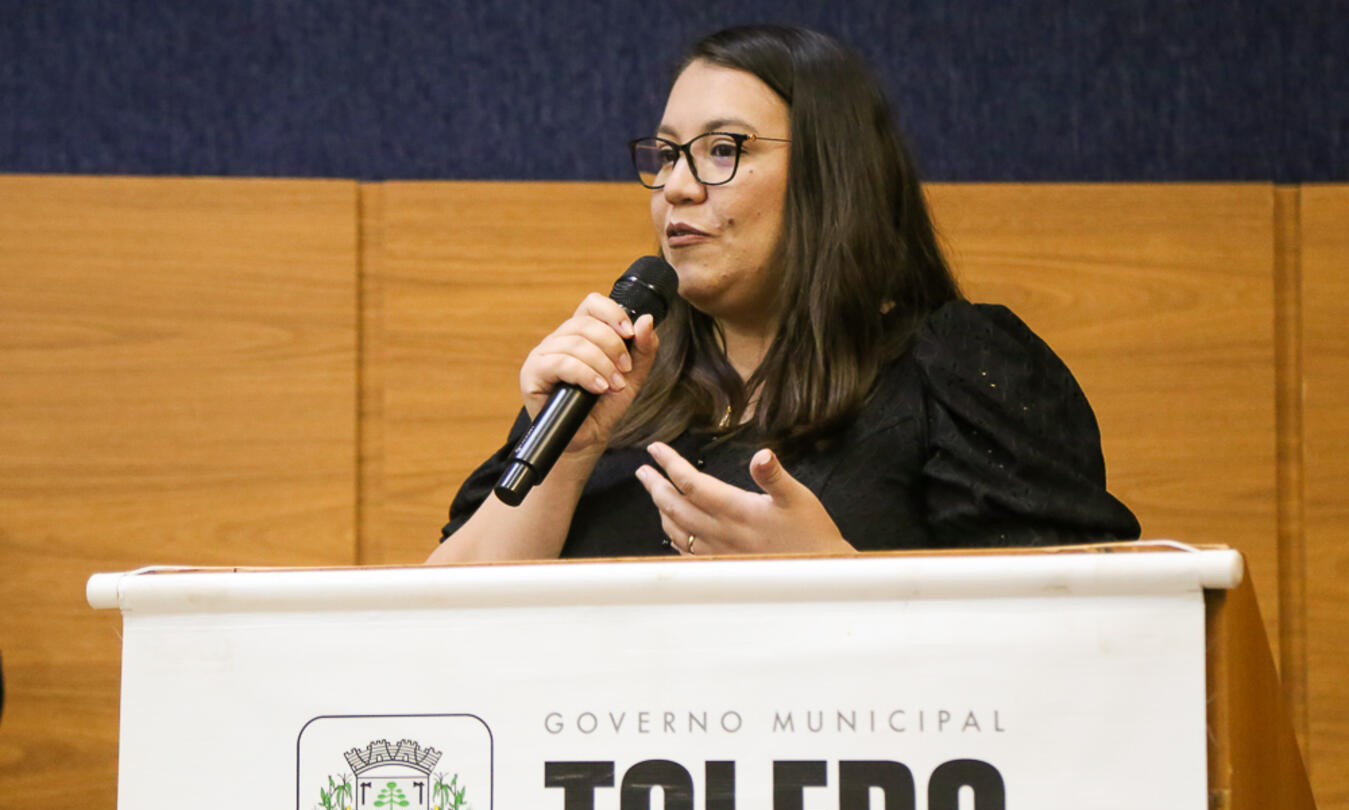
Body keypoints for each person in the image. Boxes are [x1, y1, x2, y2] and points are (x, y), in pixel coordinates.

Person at [427, 24, 1138, 564]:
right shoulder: (605, 392)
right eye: (669, 153)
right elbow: (431, 634)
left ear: (830, 175)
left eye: (722, 149)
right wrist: (572, 456)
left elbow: (1076, 645)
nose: (677, 185)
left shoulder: (949, 369)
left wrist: (829, 575)